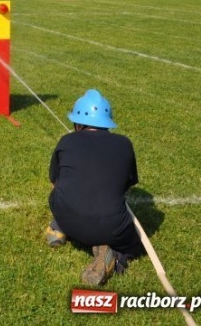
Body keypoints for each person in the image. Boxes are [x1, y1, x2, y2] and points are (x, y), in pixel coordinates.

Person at [45, 89, 144, 286]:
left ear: (78, 123)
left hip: (66, 215)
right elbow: (126, 185)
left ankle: (60, 227)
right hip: (111, 226)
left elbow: (55, 182)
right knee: (134, 241)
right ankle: (116, 253)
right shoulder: (124, 144)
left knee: (59, 195)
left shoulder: (66, 141)